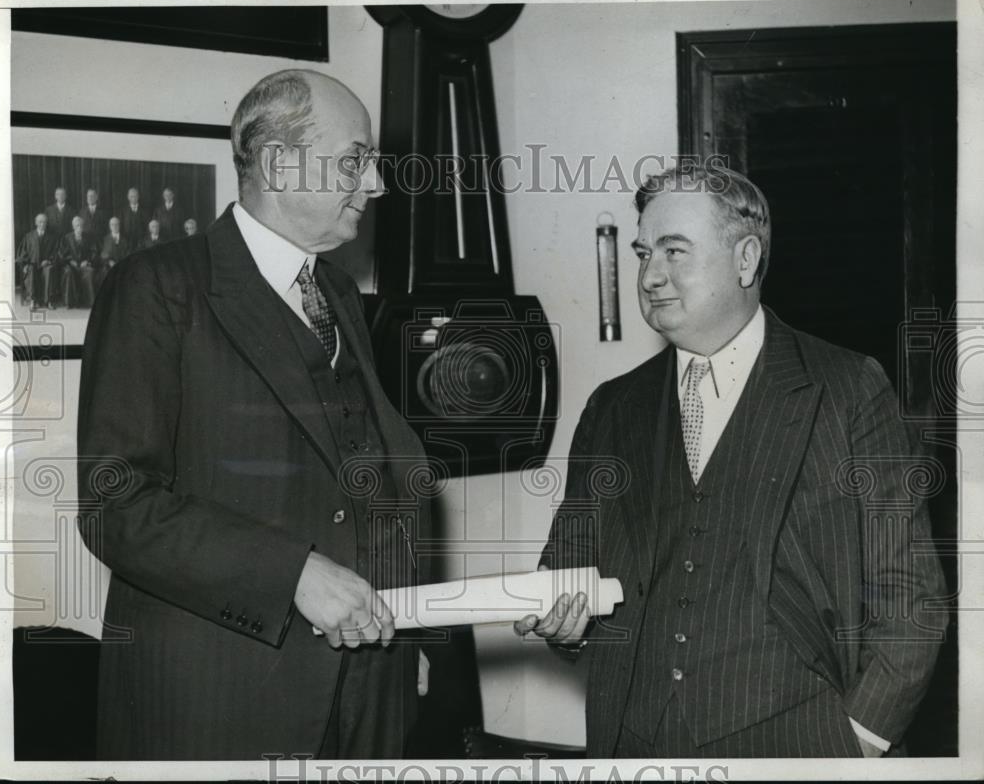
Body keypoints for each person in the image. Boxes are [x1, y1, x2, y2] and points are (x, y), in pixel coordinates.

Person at [515, 163, 947, 758]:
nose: (650, 276)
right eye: (644, 253)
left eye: (674, 251)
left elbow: (911, 599)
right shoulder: (612, 407)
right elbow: (568, 566)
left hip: (800, 745)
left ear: (745, 260)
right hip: (634, 746)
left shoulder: (847, 389)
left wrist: (859, 743)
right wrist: (562, 620)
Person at [76, 69, 427, 761]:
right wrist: (292, 573)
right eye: (355, 160)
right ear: (277, 163)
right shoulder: (156, 287)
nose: (378, 183)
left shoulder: (337, 295)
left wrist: (406, 633)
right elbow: (115, 507)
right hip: (220, 704)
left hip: (363, 694)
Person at [16, 213, 59, 309]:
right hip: (32, 264)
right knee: (30, 270)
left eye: (44, 222)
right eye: (40, 222)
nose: (42, 224)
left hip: (45, 264)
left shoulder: (52, 237)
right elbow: (23, 253)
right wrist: (25, 264)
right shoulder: (29, 236)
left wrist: (48, 261)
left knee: (49, 270)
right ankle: (33, 300)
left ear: (46, 223)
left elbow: (55, 252)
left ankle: (48, 301)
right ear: (36, 223)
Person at [58, 215, 97, 307]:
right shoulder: (67, 238)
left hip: (84, 264)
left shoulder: (88, 237)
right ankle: (70, 302)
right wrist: (70, 261)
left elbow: (94, 252)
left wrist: (87, 261)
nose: (79, 228)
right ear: (73, 227)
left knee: (89, 271)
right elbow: (62, 254)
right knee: (68, 272)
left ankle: (88, 301)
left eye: (81, 225)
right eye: (77, 225)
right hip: (71, 265)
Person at [96, 217, 124, 291]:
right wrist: (109, 261)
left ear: (119, 225)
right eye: (112, 225)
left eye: (116, 224)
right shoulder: (105, 239)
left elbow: (128, 253)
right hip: (108, 265)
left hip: (122, 264)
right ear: (109, 226)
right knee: (105, 273)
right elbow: (103, 254)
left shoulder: (125, 239)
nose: (114, 227)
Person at [119, 187, 148, 255]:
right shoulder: (123, 211)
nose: (133, 198)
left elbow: (147, 227)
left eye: (135, 196)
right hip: (127, 241)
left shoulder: (145, 210)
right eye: (131, 196)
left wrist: (144, 240)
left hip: (141, 242)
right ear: (128, 197)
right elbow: (120, 226)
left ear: (138, 197)